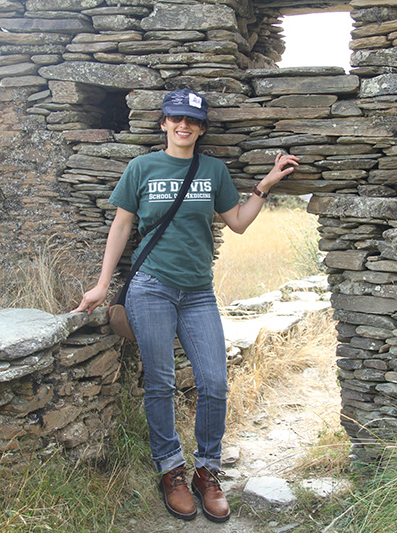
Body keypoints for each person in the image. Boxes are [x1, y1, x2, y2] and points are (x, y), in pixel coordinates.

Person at [71, 88, 298, 522]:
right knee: (159, 382)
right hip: (150, 286)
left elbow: (237, 223)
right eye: (176, 118)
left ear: (201, 128)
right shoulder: (141, 168)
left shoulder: (212, 170)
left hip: (197, 292)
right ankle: (170, 470)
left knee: (213, 383)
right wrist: (102, 286)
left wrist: (264, 186)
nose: (184, 126)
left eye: (192, 121)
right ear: (163, 124)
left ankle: (207, 472)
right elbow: (121, 228)